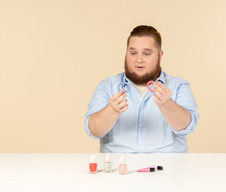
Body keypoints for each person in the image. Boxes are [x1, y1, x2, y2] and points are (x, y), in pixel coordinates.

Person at [85, 25, 199, 153]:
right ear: (126, 53)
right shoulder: (106, 86)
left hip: (167, 168)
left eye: (146, 53)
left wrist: (167, 104)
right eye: (133, 53)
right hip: (118, 168)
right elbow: (93, 130)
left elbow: (187, 127)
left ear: (160, 56)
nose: (139, 60)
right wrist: (112, 110)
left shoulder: (178, 86)